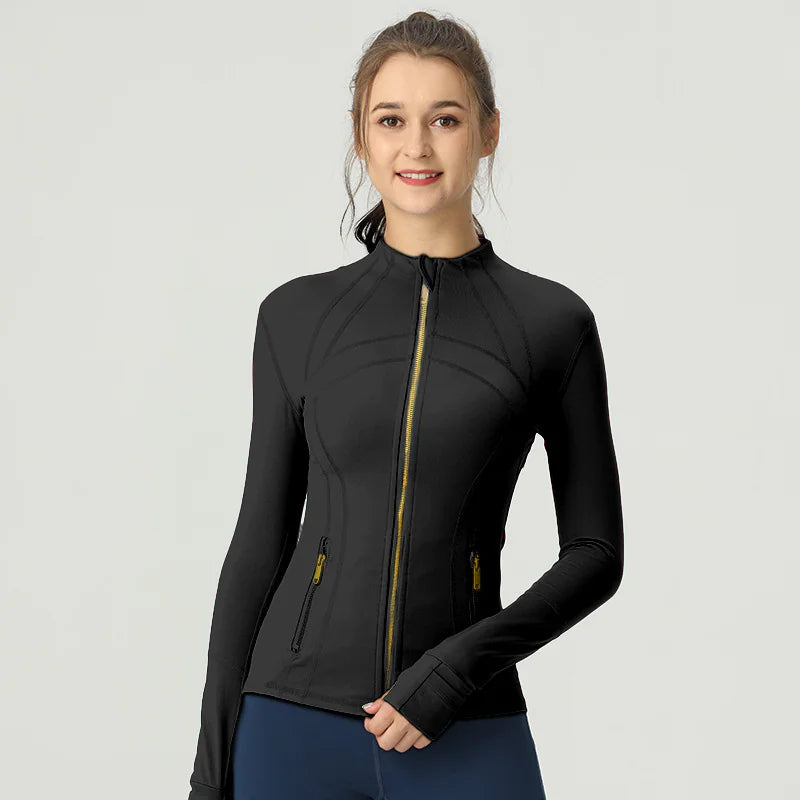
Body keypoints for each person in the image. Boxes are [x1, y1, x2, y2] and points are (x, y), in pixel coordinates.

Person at [187, 11, 624, 800]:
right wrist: (211, 773)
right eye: (391, 120)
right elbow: (258, 547)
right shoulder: (297, 317)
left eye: (444, 120)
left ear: (488, 133)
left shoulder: (552, 324)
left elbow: (596, 552)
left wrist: (458, 668)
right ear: (362, 137)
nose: (416, 147)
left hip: (467, 723)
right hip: (290, 730)